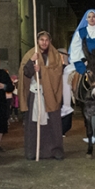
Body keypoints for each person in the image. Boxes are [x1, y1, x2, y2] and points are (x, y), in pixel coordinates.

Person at [19, 31, 65, 161]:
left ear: (49, 41)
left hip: (50, 93)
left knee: (52, 123)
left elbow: (57, 72)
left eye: (46, 40)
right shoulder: (31, 53)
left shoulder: (55, 55)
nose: (44, 42)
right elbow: (26, 73)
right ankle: (33, 151)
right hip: (35, 93)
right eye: (41, 40)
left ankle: (54, 150)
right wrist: (31, 61)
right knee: (34, 124)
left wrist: (42, 71)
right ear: (37, 41)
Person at [68, 9, 95, 74]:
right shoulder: (80, 32)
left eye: (93, 16)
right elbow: (76, 48)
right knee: (66, 72)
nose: (91, 19)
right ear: (86, 19)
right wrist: (83, 59)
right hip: (84, 61)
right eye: (89, 17)